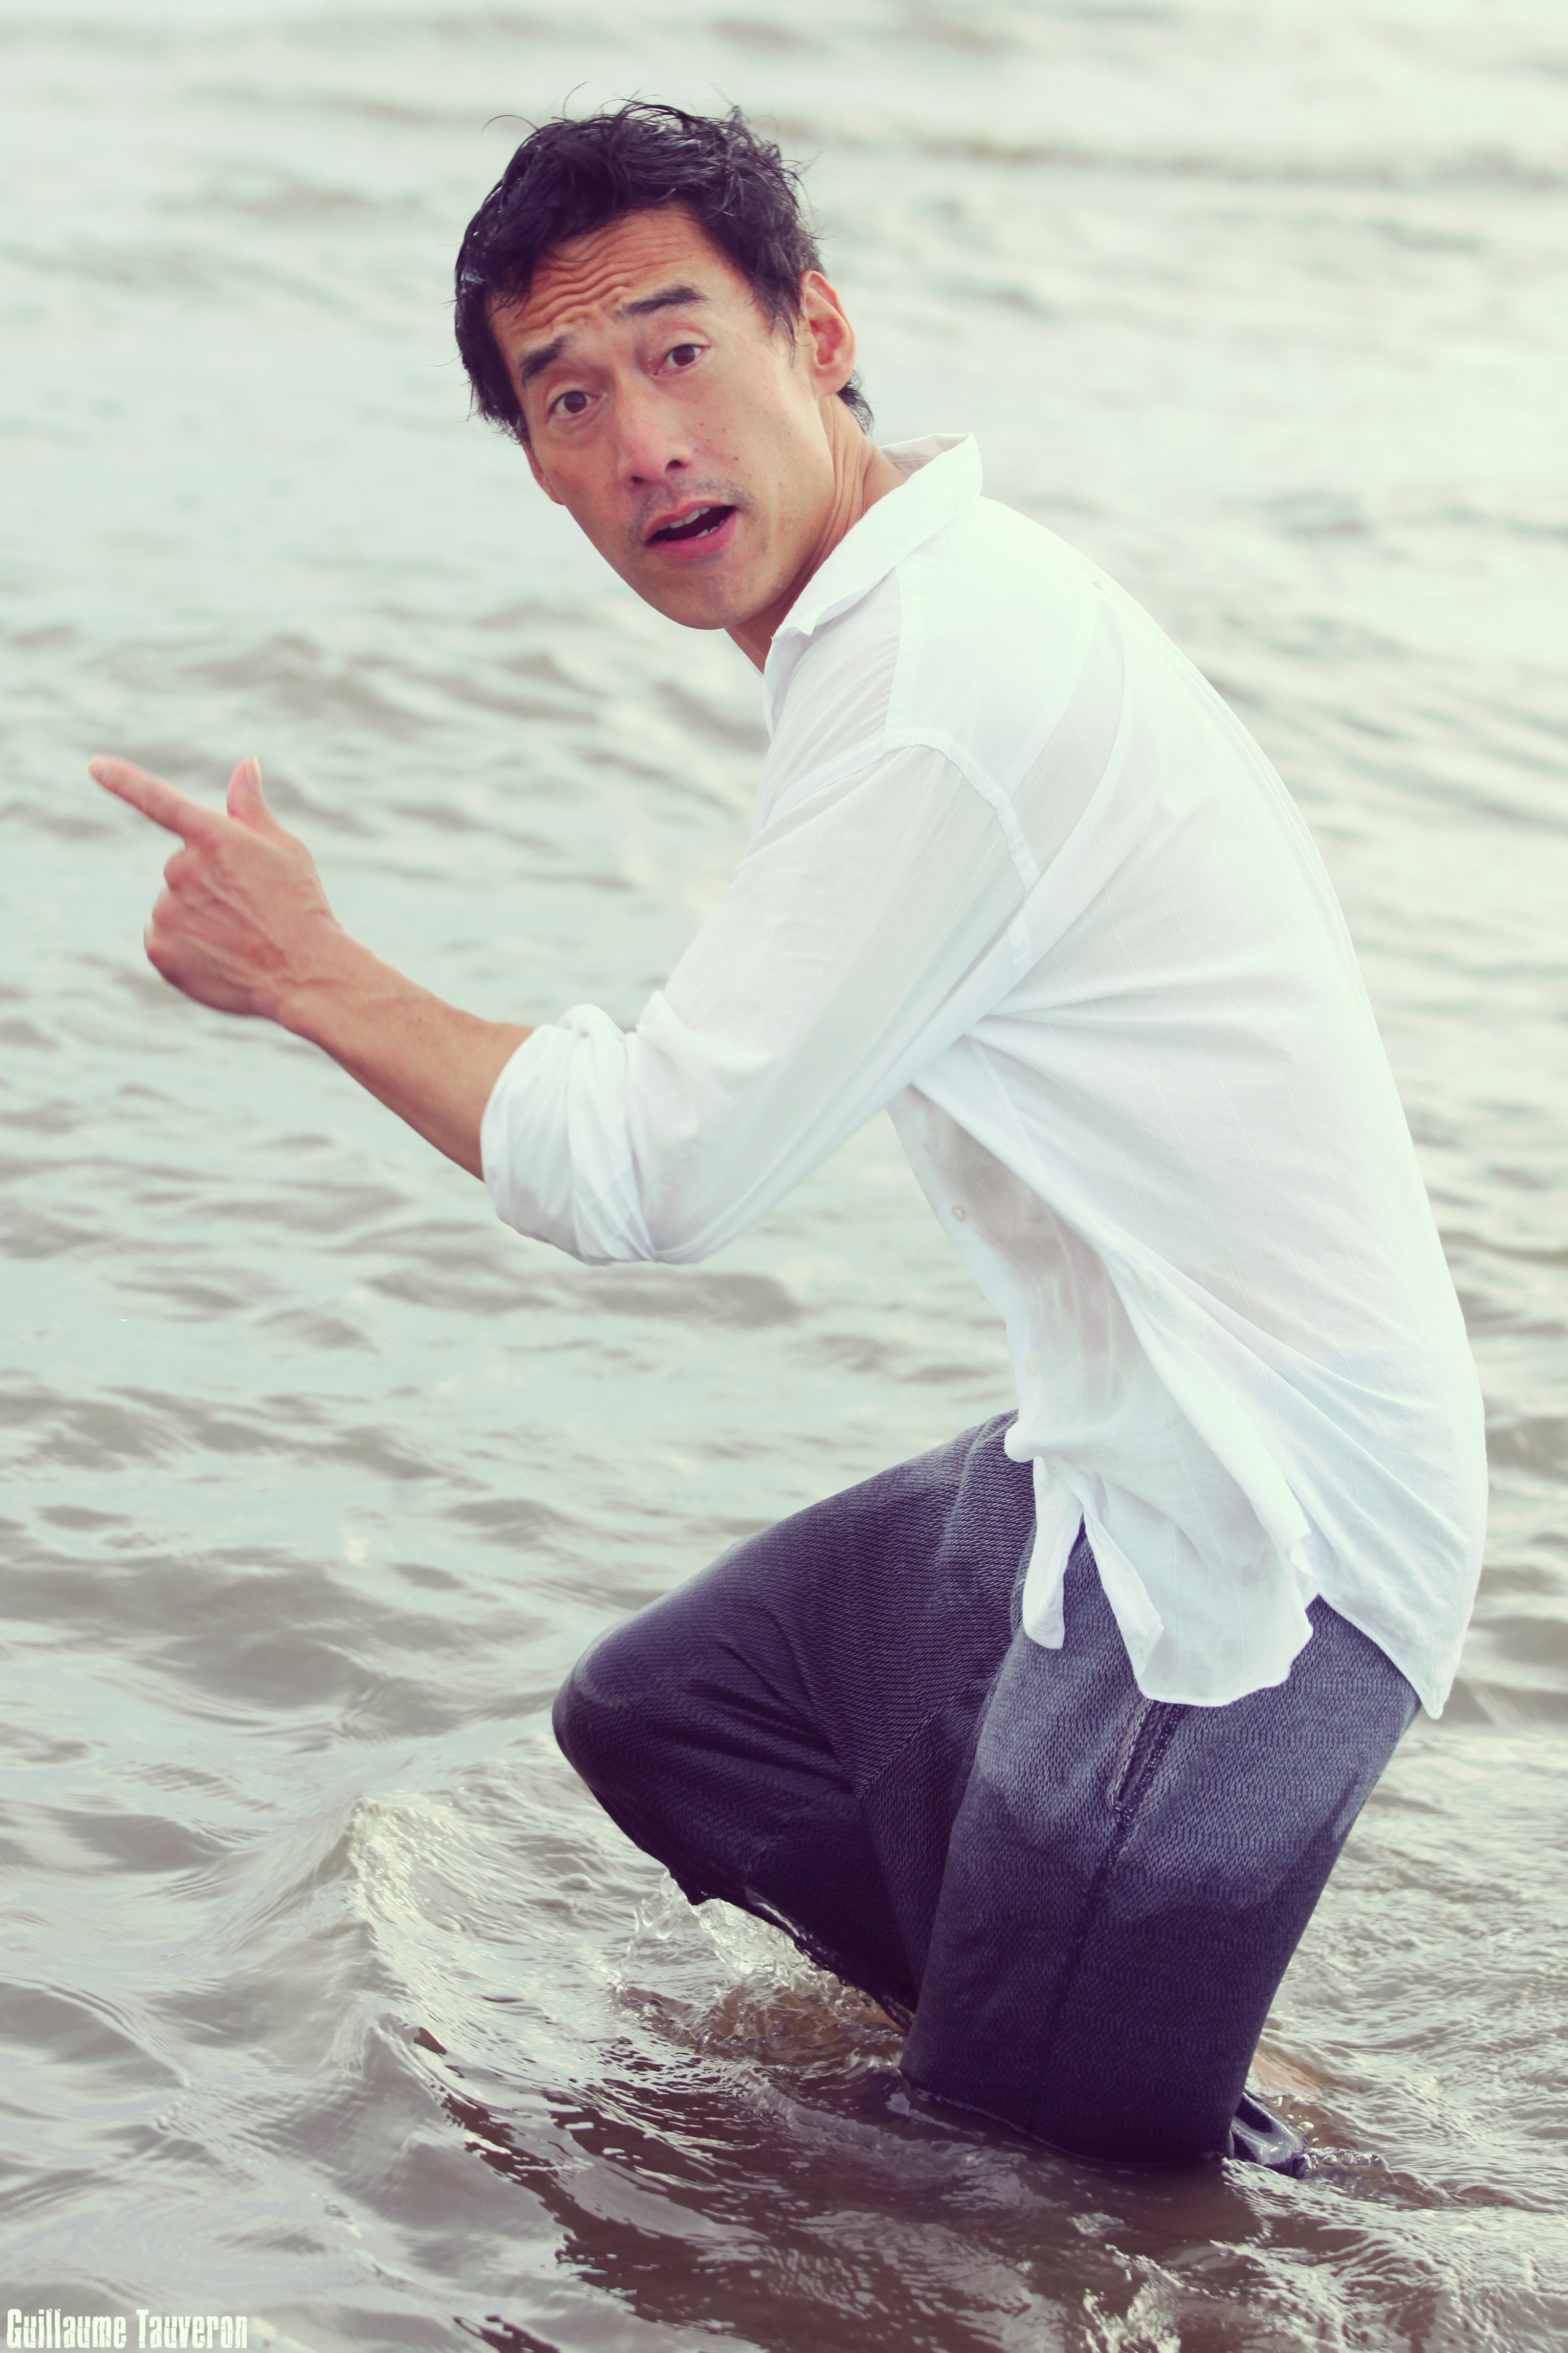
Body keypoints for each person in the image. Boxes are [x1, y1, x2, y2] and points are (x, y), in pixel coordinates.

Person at [89, 102, 1487, 2171]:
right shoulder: (902, 620)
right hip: (1117, 1446)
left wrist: (311, 971)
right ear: (536, 464)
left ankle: (1087, 2101)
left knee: (1011, 2189)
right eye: (571, 398)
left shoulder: (936, 677)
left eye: (679, 352)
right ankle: (1090, 2050)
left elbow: (654, 1172)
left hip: (1260, 1540)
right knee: (680, 1715)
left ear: (814, 334)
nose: (645, 441)